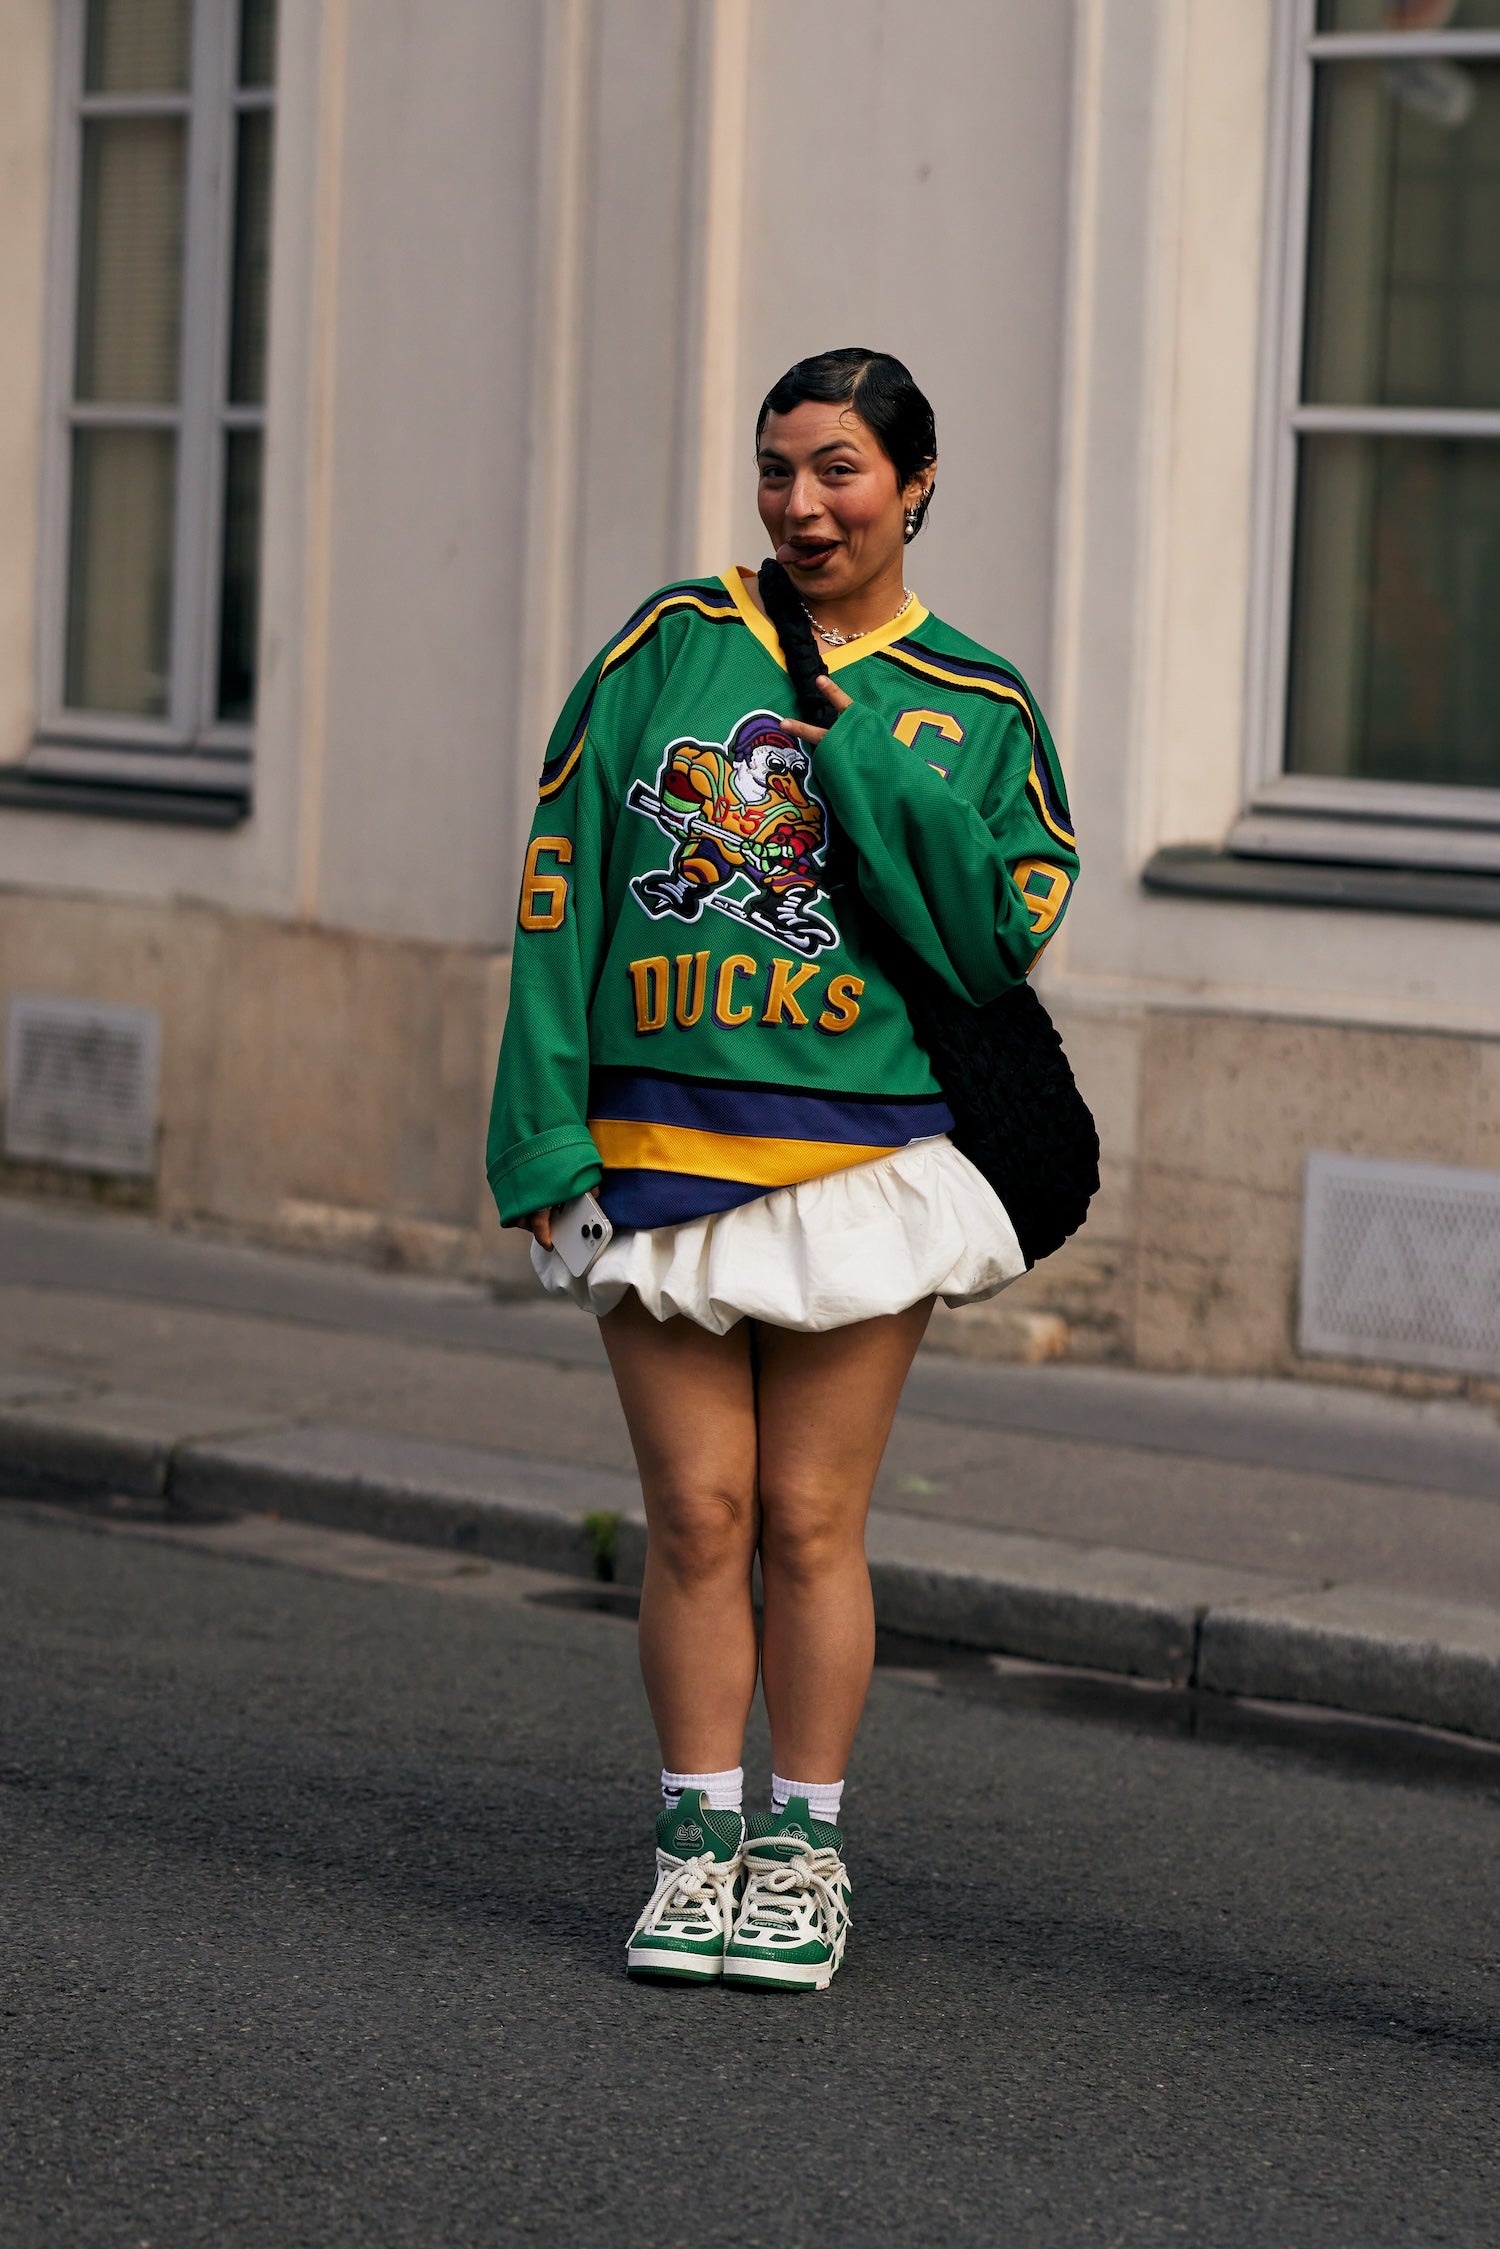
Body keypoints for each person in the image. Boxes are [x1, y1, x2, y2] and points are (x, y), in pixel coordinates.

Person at [486, 348, 1079, 1992]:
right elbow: (561, 882)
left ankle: (802, 1854)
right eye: (777, 471)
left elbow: (998, 932)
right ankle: (694, 1841)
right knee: (695, 1512)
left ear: (916, 487)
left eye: (839, 472)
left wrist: (858, 744)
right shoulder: (671, 645)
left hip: (860, 1157)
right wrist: (537, 1128)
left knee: (812, 1520)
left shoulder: (978, 705)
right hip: (656, 1137)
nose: (803, 506)